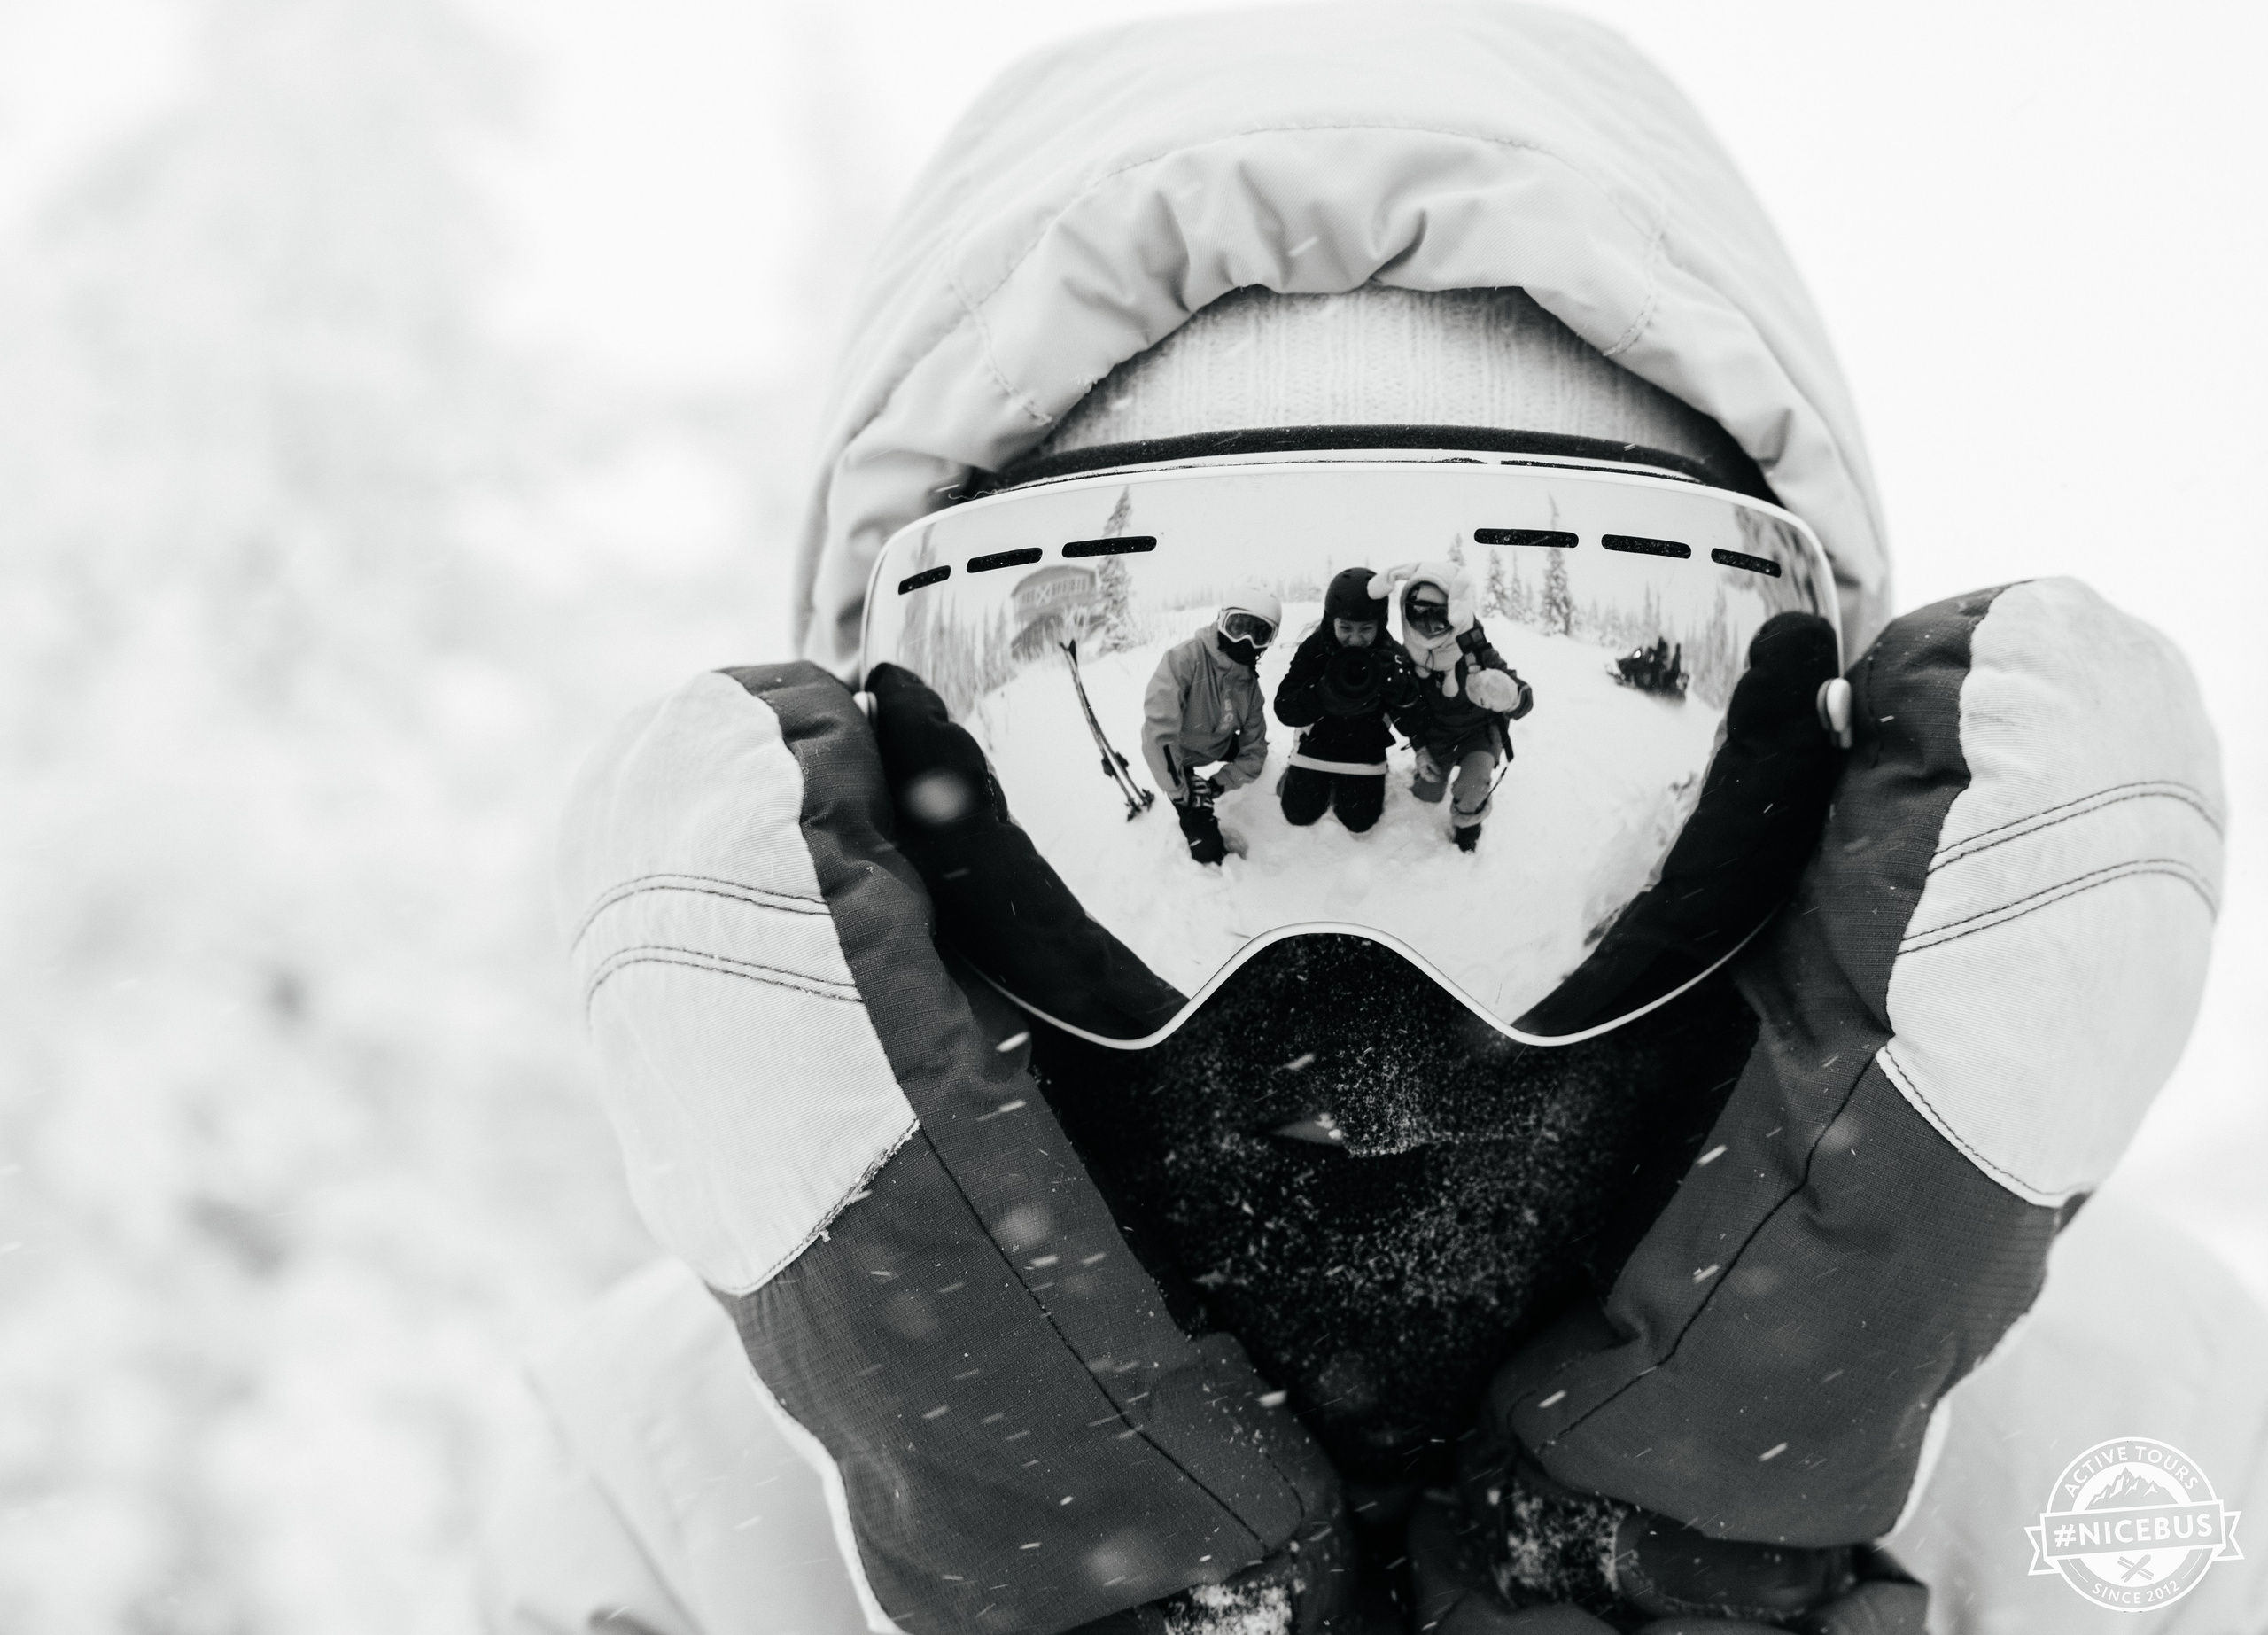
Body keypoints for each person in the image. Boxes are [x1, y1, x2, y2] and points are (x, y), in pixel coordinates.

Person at [483, 10, 2258, 1635]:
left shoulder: (2132, 1455)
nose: (1364, 1077)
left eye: (1615, 752)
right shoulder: (677, 1498)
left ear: (1791, 787)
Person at [1379, 563, 1532, 852]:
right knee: (1427, 795)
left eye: (1438, 617)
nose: (1426, 625)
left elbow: (1523, 697)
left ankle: (1468, 827)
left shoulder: (1476, 651)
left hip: (1480, 733)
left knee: (1471, 788)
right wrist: (1421, 748)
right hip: (1438, 736)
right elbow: (1410, 711)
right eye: (1417, 613)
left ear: (1454, 616)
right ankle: (1435, 778)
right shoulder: (1408, 659)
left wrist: (1510, 696)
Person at [1270, 568, 1419, 834]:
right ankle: (1295, 774)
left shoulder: (1390, 656)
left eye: (1366, 629)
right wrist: (1323, 694)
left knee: (1360, 822)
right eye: (1345, 628)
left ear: (1380, 624)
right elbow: (1284, 709)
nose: (1355, 639)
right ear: (1331, 621)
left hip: (1366, 748)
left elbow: (1412, 725)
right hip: (1317, 744)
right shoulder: (1316, 648)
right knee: (1298, 815)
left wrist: (1403, 693)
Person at [1139, 587, 1278, 864]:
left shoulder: (1250, 689)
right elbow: (1159, 734)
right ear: (1221, 621)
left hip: (1219, 744)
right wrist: (1184, 795)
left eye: (1259, 633)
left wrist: (1216, 786)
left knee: (1261, 751)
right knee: (1207, 850)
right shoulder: (1183, 661)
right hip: (1180, 756)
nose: (1247, 641)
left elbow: (1254, 752)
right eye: (1238, 627)